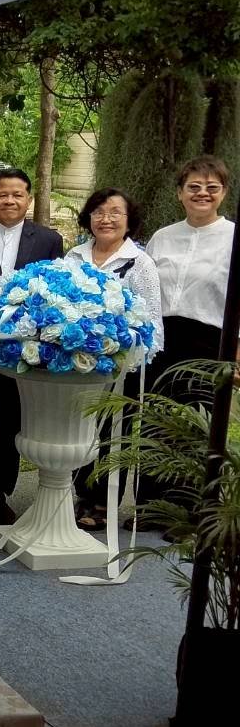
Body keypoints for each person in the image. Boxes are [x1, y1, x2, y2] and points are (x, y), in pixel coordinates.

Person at [144, 155, 237, 509]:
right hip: (164, 338)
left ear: (224, 193)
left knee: (199, 424)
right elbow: (147, 290)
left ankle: (190, 507)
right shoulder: (163, 237)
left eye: (212, 188)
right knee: (155, 420)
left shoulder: (233, 237)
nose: (203, 193)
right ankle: (152, 505)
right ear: (180, 193)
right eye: (194, 187)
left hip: (211, 340)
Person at [67, 188, 163, 529]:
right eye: (98, 212)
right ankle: (79, 493)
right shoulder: (74, 257)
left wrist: (134, 361)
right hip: (77, 363)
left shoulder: (140, 263)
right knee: (80, 427)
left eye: (114, 213)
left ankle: (105, 500)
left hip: (121, 365)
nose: (105, 219)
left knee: (113, 433)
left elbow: (151, 318)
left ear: (128, 220)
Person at [0, 168, 64, 523]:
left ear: (28, 199)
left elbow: (54, 289)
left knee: (10, 418)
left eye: (17, 195)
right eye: (2, 194)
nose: (9, 201)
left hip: (21, 347)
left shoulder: (48, 239)